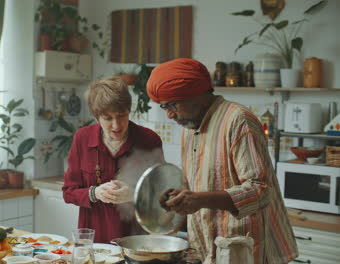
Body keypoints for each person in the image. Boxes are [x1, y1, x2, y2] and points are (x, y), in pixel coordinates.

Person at [146, 58, 298, 264]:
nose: (170, 114)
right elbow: (201, 185)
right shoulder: (190, 130)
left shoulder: (238, 120)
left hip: (243, 250)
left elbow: (260, 191)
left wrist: (200, 199)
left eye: (172, 105)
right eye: (164, 107)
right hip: (207, 249)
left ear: (196, 94)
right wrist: (179, 196)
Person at [63, 76, 164, 243]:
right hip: (93, 239)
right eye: (108, 118)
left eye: (121, 116)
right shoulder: (82, 138)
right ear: (96, 117)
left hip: (137, 240)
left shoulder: (149, 140)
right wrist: (94, 193)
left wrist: (135, 194)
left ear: (129, 110)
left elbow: (163, 195)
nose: (116, 126)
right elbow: (68, 192)